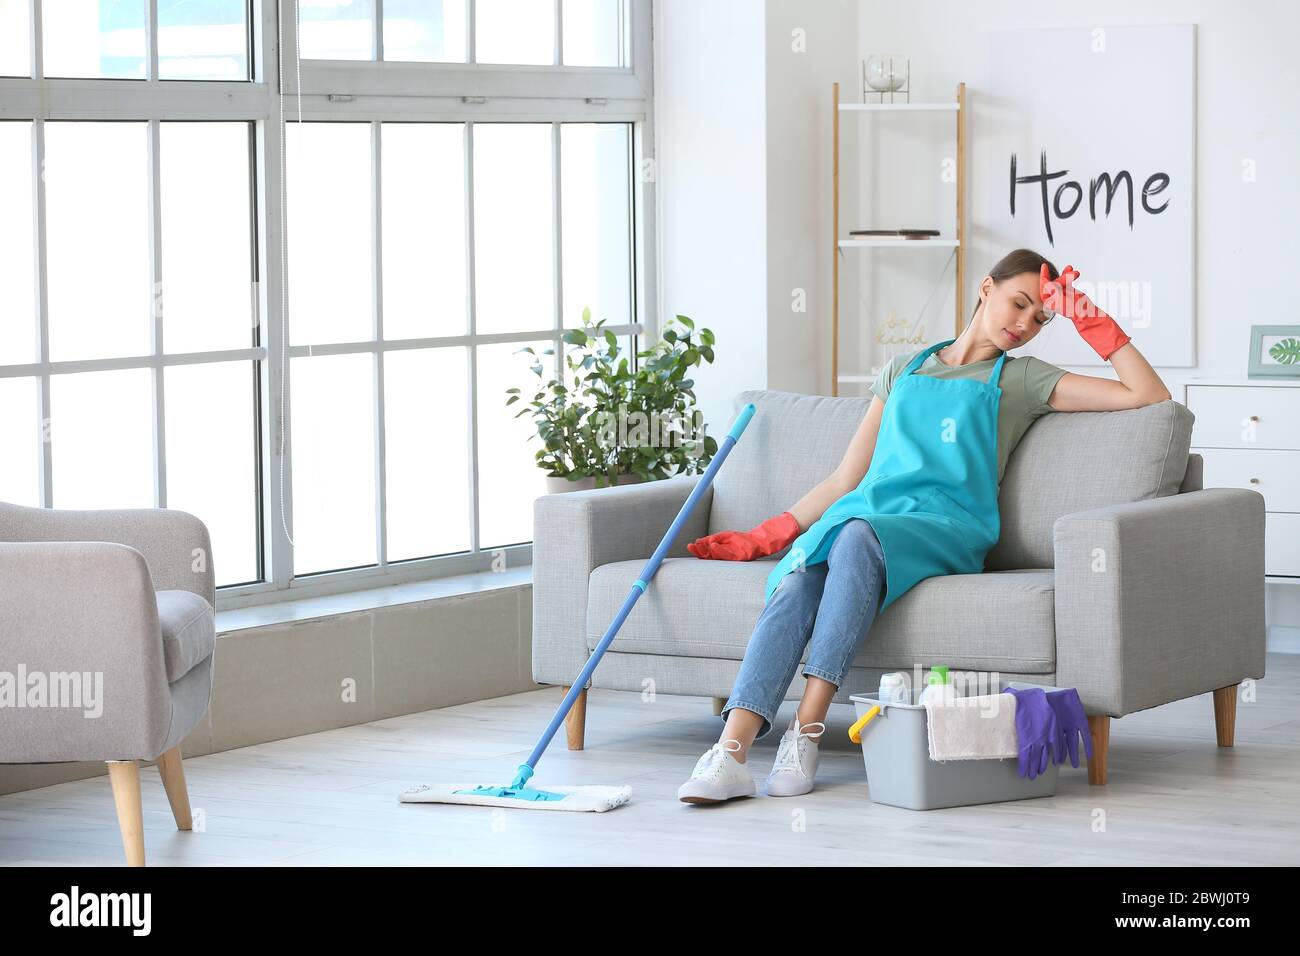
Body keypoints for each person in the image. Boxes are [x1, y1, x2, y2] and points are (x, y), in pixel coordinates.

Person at [676, 247, 1173, 804]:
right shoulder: (905, 368)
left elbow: (1147, 396)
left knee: (857, 533)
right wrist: (768, 535)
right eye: (1018, 303)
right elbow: (846, 478)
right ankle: (732, 753)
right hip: (864, 516)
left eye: (1040, 317)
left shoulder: (1024, 380)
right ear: (986, 288)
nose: (1024, 324)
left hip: (946, 527)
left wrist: (1088, 317)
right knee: (801, 577)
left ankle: (807, 730)